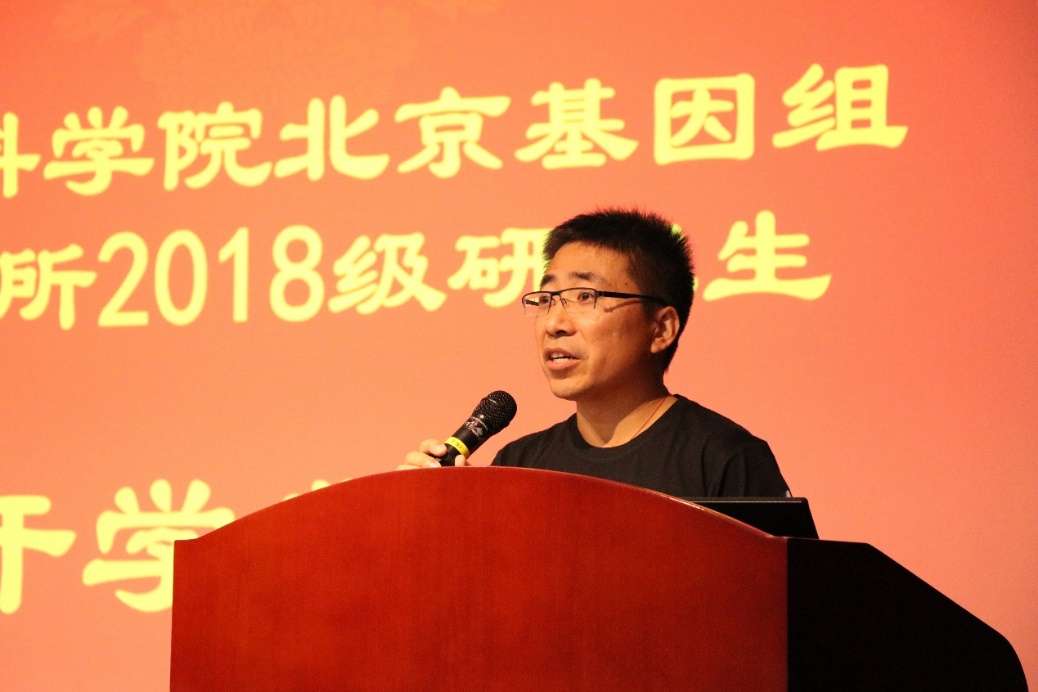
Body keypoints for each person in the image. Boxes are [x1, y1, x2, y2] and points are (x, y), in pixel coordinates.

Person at [401, 208, 789, 497]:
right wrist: (437, 510)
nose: (554, 323)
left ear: (661, 329)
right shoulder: (519, 465)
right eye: (546, 298)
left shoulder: (723, 458)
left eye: (584, 296)